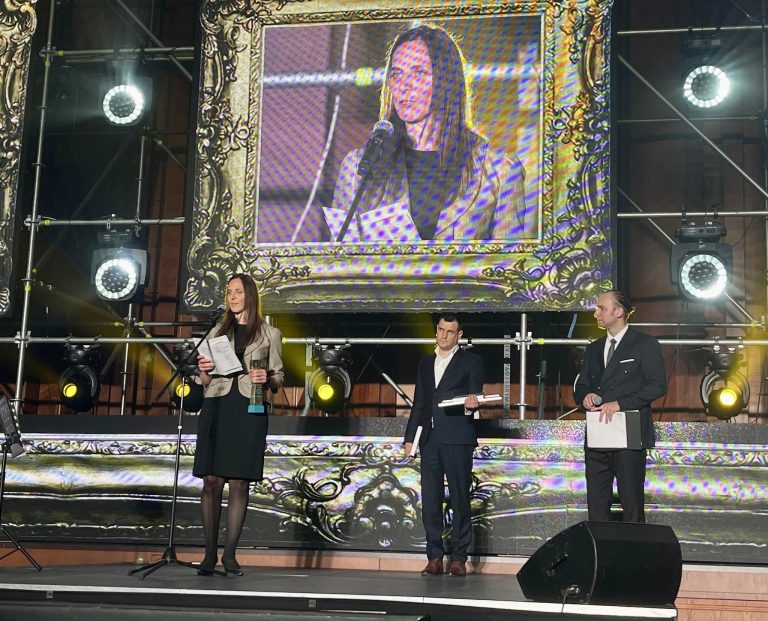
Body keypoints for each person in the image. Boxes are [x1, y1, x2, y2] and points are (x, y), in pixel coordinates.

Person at [324, 24, 530, 243]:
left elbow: (509, 262)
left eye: (419, 73)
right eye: (396, 74)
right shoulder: (359, 169)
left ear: (447, 81)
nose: (404, 86)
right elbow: (339, 257)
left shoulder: (500, 172)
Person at [193, 273, 284, 575]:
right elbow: (205, 380)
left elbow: (279, 377)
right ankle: (209, 554)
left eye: (238, 291)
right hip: (217, 404)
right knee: (211, 480)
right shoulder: (216, 331)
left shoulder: (270, 333)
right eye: (229, 292)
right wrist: (204, 369)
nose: (232, 297)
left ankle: (230, 555)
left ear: (250, 296)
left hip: (249, 408)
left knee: (239, 482)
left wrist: (267, 377)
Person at [573, 290, 666, 523]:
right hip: (598, 432)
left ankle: (635, 546)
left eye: (601, 308)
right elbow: (581, 384)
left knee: (631, 501)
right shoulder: (594, 348)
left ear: (619, 312)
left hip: (629, 431)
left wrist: (620, 404)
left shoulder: (645, 344)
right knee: (597, 502)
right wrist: (585, 396)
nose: (596, 313)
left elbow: (657, 385)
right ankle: (599, 546)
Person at [404, 314, 484, 577]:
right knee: (430, 499)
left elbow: (475, 395)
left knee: (460, 497)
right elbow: (419, 403)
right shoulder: (426, 363)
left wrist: (472, 405)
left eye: (450, 331)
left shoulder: (471, 361)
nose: (444, 335)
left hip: (457, 437)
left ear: (459, 335)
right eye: (440, 330)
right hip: (430, 439)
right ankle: (435, 557)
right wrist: (409, 438)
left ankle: (459, 557)